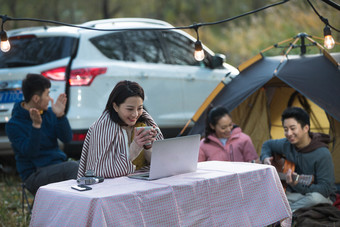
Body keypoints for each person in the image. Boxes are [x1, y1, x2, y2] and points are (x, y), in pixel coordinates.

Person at [5, 74, 78, 195]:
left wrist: (60, 116)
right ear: (36, 99)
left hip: (58, 166)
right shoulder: (14, 125)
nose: (50, 99)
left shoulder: (49, 113)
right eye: (47, 94)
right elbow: (30, 152)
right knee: (73, 167)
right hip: (34, 174)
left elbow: (67, 138)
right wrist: (36, 127)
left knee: (89, 165)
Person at [77, 80, 163, 178]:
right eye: (130, 109)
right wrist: (135, 148)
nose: (135, 114)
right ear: (115, 106)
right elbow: (99, 171)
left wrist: (148, 146)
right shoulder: (102, 128)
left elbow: (160, 164)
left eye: (139, 108)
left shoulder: (145, 122)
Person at [261, 107, 336, 212]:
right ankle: (286, 211)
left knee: (315, 199)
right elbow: (267, 144)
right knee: (267, 196)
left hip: (319, 197)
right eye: (285, 129)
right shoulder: (287, 145)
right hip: (295, 195)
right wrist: (265, 158)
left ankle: (283, 214)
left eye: (292, 128)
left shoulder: (322, 154)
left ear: (306, 128)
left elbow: (325, 190)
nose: (289, 133)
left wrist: (296, 184)